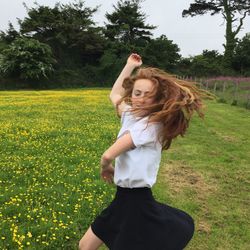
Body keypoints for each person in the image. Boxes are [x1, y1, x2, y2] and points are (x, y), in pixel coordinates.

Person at [79, 53, 214, 250]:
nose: (140, 99)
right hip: (123, 198)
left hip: (137, 202)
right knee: (85, 245)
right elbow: (115, 95)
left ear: (157, 99)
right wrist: (130, 66)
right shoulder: (130, 115)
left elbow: (109, 154)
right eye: (137, 93)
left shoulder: (152, 126)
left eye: (148, 95)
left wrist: (106, 166)